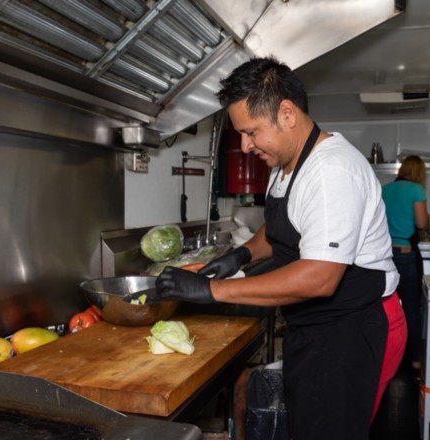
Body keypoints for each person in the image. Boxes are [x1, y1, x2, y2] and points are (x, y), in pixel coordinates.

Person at [156, 56, 407, 439]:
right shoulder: (285, 164)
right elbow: (279, 230)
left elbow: (321, 277)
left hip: (354, 328)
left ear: (287, 113)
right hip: (318, 324)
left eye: (251, 131)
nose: (244, 145)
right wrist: (240, 255)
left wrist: (212, 290)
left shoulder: (331, 172)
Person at [382, 155, 429, 373]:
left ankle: (385, 358)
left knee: (385, 308)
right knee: (411, 308)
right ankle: (415, 361)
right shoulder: (416, 190)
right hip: (406, 255)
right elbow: (421, 223)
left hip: (383, 256)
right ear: (419, 172)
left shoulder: (385, 189)